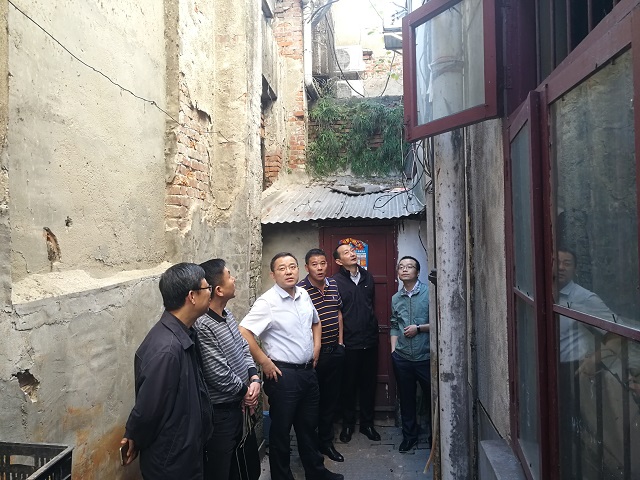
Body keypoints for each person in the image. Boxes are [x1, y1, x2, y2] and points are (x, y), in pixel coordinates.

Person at [239, 252, 343, 480]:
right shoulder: (268, 302)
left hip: (308, 373)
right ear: (273, 274)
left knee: (308, 427)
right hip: (283, 375)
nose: (288, 272)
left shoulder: (304, 294)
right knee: (281, 432)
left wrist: (316, 347)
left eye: (292, 267)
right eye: (282, 268)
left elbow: (316, 322)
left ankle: (316, 473)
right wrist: (264, 361)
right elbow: (244, 331)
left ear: (298, 269)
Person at [121, 263, 213, 480]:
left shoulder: (185, 334)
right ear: (192, 296)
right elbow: (148, 410)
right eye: (207, 287)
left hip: (185, 454)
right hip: (171, 464)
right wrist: (134, 435)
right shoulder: (167, 350)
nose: (210, 292)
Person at [196, 259, 261, 480]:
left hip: (239, 406)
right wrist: (246, 392)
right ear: (219, 290)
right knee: (220, 470)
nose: (234, 279)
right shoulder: (203, 325)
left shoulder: (228, 315)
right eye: (229, 275)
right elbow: (218, 374)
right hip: (220, 413)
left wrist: (254, 378)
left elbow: (243, 347)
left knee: (239, 465)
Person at [556, 248, 615, 479]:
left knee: (581, 434)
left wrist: (593, 361)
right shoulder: (548, 293)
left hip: (575, 371)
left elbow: (616, 334)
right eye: (557, 261)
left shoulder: (585, 298)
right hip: (552, 370)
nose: (561, 267)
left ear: (575, 269)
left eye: (567, 263)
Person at [298, 248, 345, 462]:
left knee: (330, 401)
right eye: (314, 264)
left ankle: (326, 442)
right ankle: (311, 447)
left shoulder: (333, 284)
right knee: (311, 404)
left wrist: (341, 343)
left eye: (323, 263)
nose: (319, 268)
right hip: (313, 358)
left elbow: (338, 313)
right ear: (307, 267)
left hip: (334, 353)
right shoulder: (301, 290)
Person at [332, 242, 380, 443]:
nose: (351, 254)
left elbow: (371, 305)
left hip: (370, 341)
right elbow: (337, 313)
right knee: (348, 387)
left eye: (352, 250)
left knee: (368, 385)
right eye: (346, 252)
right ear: (338, 261)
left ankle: (367, 425)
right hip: (349, 343)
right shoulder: (335, 282)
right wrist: (340, 342)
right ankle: (348, 425)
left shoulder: (368, 277)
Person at [390, 256, 431, 453]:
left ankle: (434, 437)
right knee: (406, 399)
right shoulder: (395, 298)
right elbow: (393, 324)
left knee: (432, 398)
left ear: (417, 272)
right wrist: (393, 350)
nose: (405, 269)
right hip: (402, 357)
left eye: (410, 266)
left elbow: (440, 320)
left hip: (425, 357)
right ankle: (409, 437)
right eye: (401, 267)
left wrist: (419, 328)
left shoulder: (429, 293)